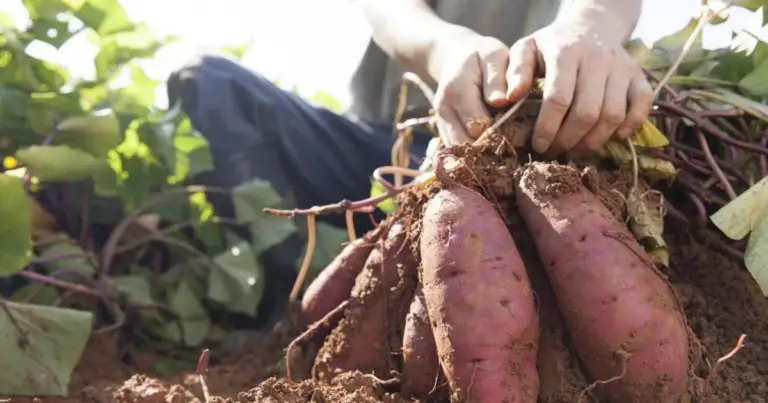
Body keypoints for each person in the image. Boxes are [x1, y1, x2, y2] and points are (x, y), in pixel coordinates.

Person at [165, 0, 652, 326]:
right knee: (208, 83)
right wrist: (445, 50)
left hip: (534, 157)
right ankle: (290, 311)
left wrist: (589, 31)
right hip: (394, 153)